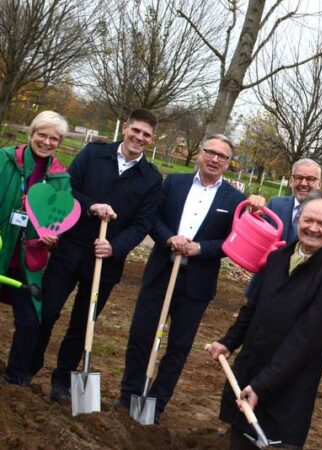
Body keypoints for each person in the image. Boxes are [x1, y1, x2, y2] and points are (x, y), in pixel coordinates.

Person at [117, 134, 252, 421]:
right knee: (141, 336)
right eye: (210, 152)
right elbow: (152, 218)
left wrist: (200, 248)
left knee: (178, 346)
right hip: (161, 273)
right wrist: (169, 239)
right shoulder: (174, 183)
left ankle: (155, 405)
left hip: (196, 284)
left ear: (229, 163)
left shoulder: (234, 200)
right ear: (200, 154)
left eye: (222, 156)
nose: (215, 159)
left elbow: (231, 241)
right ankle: (128, 396)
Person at [34, 109, 163, 403]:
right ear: (126, 128)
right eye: (136, 131)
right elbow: (67, 187)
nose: (139, 138)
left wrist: (115, 247)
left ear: (152, 139)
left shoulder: (151, 178)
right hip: (70, 249)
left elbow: (143, 223)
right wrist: (92, 206)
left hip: (105, 262)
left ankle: (62, 381)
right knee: (48, 310)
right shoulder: (94, 154)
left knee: (83, 323)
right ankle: (29, 366)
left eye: (146, 135)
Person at [207, 190, 322, 449]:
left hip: (287, 390)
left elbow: (303, 344)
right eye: (308, 220)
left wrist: (262, 387)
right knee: (240, 440)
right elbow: (253, 307)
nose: (313, 228)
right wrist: (229, 341)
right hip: (253, 371)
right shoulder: (276, 258)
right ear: (298, 219)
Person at [0, 111, 71, 386]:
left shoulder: (59, 178)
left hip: (27, 262)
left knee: (30, 321)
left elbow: (60, 216)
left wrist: (54, 236)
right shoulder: (5, 160)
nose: (47, 142)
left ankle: (16, 379)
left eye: (54, 138)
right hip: (2, 250)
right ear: (32, 133)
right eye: (42, 134)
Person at [243, 158, 322, 297]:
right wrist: (252, 214)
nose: (303, 183)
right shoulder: (275, 205)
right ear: (291, 181)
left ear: (319, 183)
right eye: (298, 178)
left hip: (301, 294)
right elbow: (255, 240)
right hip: (264, 287)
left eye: (310, 179)